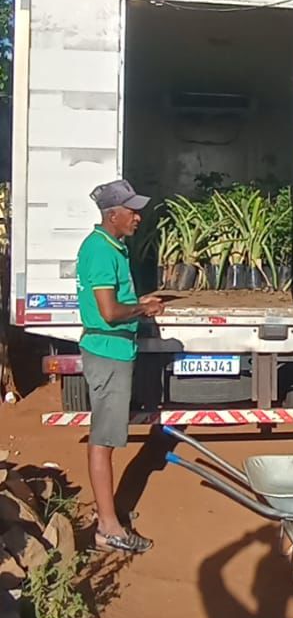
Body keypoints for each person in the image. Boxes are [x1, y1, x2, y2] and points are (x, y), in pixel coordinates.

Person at [76, 179, 164, 555]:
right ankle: (109, 528)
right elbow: (110, 312)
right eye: (132, 211)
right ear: (113, 215)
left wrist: (139, 300)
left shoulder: (112, 246)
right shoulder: (100, 251)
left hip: (114, 351)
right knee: (104, 440)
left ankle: (108, 520)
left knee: (107, 438)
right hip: (108, 352)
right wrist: (143, 309)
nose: (138, 217)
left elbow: (114, 301)